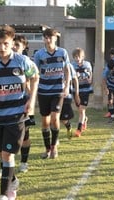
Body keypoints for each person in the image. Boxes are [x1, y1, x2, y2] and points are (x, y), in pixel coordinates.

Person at [0, 25, 39, 200]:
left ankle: (4, 194)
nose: (2, 47)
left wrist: (31, 100)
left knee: (7, 153)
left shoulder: (22, 61)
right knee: (2, 153)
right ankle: (13, 179)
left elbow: (35, 77)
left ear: (12, 43)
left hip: (16, 114)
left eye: (6, 43)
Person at [34, 28, 71, 159]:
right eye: (46, 37)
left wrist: (67, 87)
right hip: (43, 91)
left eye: (51, 37)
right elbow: (35, 72)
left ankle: (54, 146)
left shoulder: (62, 52)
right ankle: (47, 148)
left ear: (56, 38)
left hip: (58, 90)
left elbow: (67, 70)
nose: (48, 40)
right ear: (43, 39)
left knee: (55, 118)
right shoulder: (39, 54)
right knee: (45, 122)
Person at [13, 35, 38, 173]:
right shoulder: (3, 60)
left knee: (25, 135)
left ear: (24, 47)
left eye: (17, 45)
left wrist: (31, 99)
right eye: (13, 44)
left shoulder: (27, 62)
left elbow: (35, 79)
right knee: (7, 135)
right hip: (9, 104)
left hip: (24, 104)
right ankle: (4, 165)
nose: (14, 47)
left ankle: (24, 162)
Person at [71, 47, 93, 137]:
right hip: (76, 90)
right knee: (79, 110)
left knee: (81, 110)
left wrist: (90, 79)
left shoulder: (87, 64)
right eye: (75, 57)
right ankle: (84, 119)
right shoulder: (72, 65)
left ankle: (79, 129)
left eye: (79, 56)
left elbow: (90, 74)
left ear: (83, 56)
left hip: (86, 90)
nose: (77, 59)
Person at [60, 62, 80, 139]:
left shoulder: (69, 65)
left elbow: (75, 79)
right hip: (54, 94)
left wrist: (77, 94)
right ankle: (54, 141)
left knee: (63, 119)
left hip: (66, 96)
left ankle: (68, 126)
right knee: (53, 118)